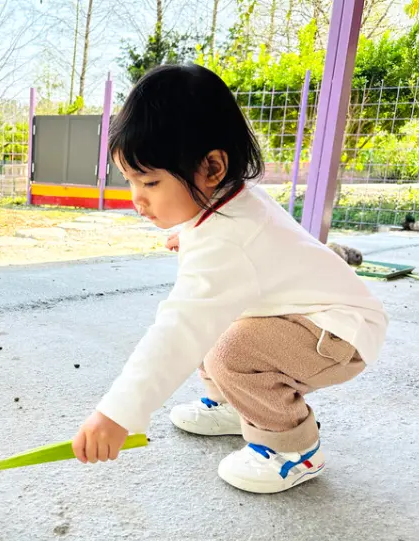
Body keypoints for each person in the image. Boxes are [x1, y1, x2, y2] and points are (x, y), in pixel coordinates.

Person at [71, 64, 388, 494]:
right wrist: (188, 238)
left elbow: (177, 331)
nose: (137, 200)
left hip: (339, 334)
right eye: (129, 181)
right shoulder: (228, 206)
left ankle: (293, 448)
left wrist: (117, 413)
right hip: (307, 321)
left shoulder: (227, 238)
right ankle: (236, 406)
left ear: (212, 168)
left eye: (149, 181)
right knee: (216, 323)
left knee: (228, 347)